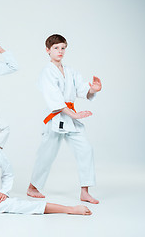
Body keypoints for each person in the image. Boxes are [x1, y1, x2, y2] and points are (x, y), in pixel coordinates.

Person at [27, 34, 102, 204]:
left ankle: (85, 191)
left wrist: (93, 89)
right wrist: (75, 114)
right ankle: (32, 187)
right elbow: (54, 98)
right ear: (48, 50)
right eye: (56, 48)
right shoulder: (47, 72)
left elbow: (82, 89)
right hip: (55, 117)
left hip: (70, 117)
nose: (60, 51)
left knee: (86, 149)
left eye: (62, 48)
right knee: (47, 154)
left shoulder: (70, 71)